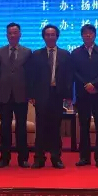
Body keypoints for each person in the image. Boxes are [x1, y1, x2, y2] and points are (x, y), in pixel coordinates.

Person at [30, 24, 73, 169]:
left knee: (56, 127)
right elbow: (32, 77)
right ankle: (39, 158)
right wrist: (32, 95)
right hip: (41, 95)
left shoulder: (65, 55)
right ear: (43, 37)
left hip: (58, 95)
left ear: (57, 36)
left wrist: (68, 97)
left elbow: (69, 77)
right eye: (47, 35)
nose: (50, 37)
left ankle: (56, 158)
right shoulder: (36, 54)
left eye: (52, 34)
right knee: (41, 127)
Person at [0, 23, 32, 168]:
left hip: (21, 95)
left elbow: (29, 75)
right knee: (5, 128)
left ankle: (23, 159)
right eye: (10, 33)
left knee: (21, 127)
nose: (12, 35)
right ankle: (4, 158)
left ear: (20, 34)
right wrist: (1, 87)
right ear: (6, 35)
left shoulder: (27, 52)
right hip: (5, 95)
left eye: (15, 32)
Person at [71, 24, 98, 168]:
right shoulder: (75, 53)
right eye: (85, 33)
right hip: (82, 93)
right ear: (82, 36)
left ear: (95, 35)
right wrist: (86, 85)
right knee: (83, 126)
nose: (88, 35)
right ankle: (84, 157)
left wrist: (94, 84)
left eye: (91, 33)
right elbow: (74, 72)